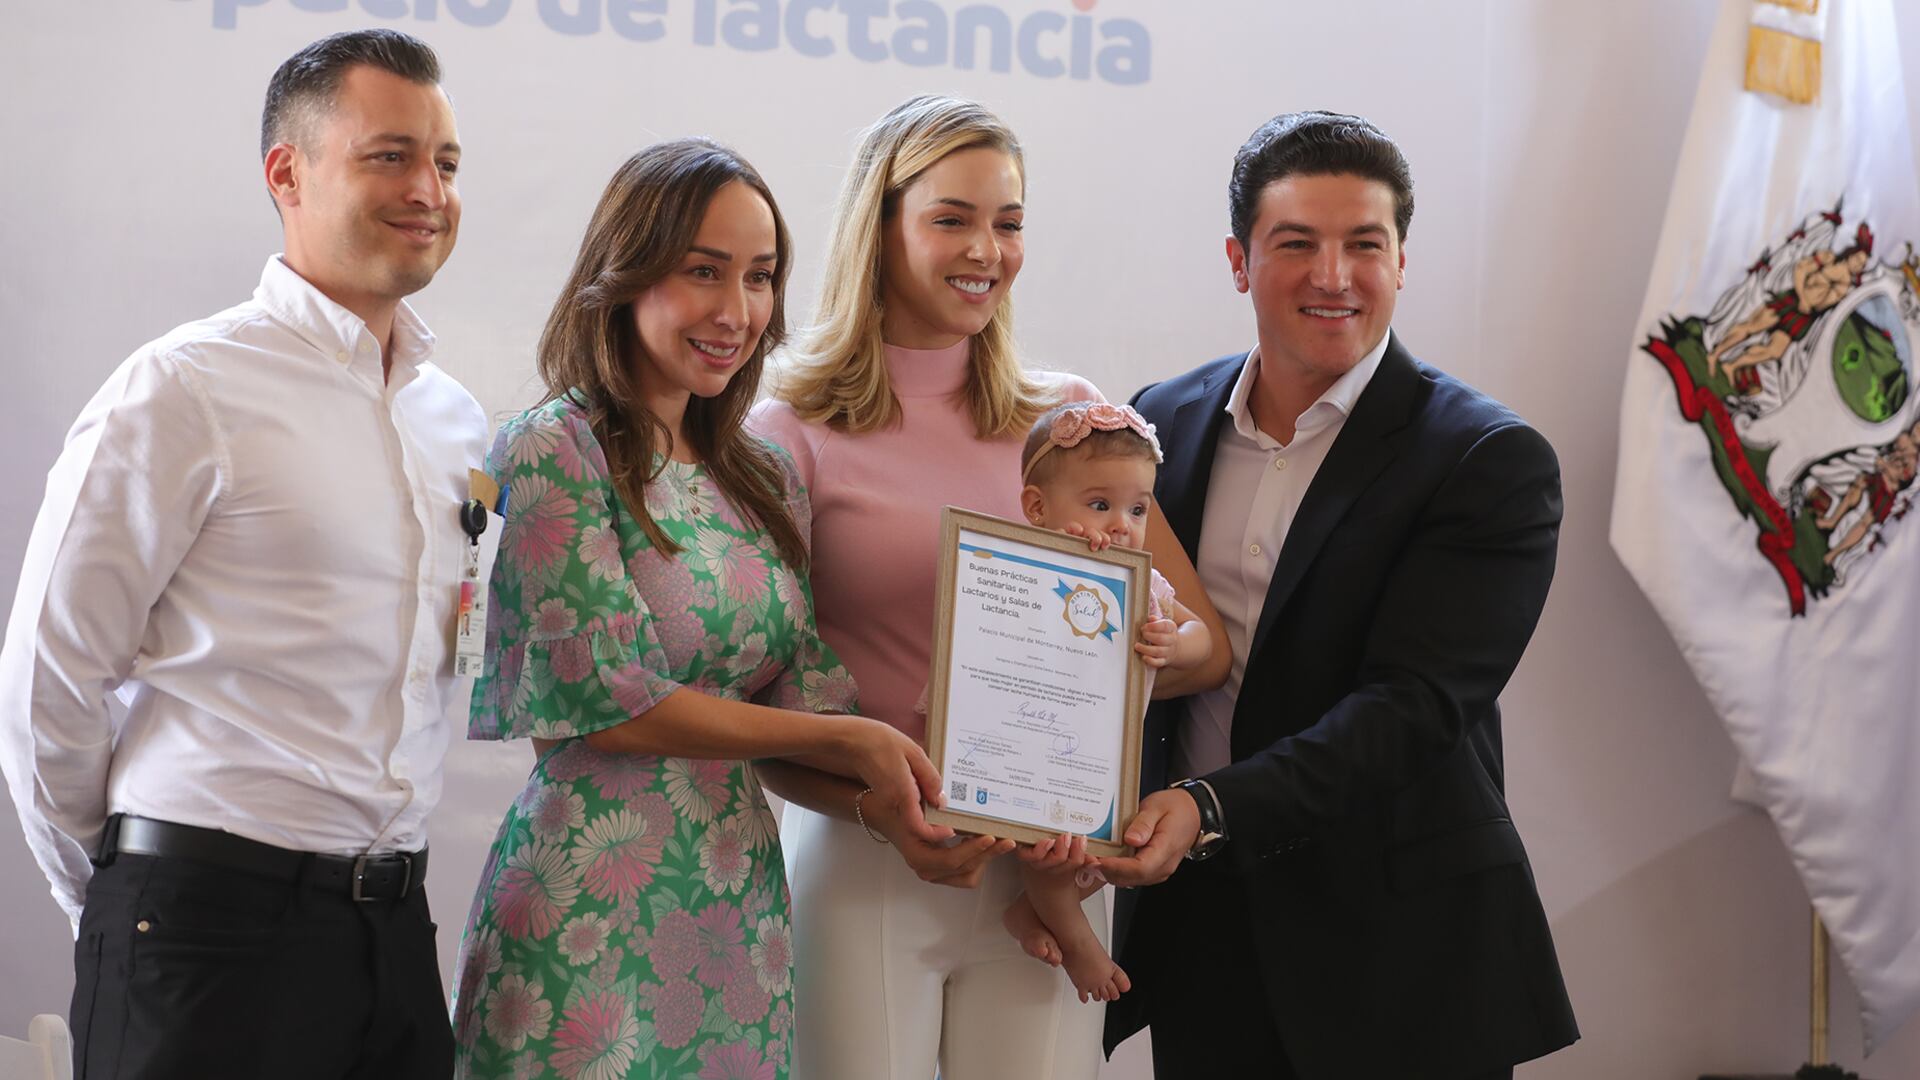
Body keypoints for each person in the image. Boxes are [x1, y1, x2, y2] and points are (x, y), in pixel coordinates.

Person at [0, 29, 479, 1078]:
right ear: (286, 171)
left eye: (445, 163)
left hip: (394, 936)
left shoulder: (455, 424)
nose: (429, 190)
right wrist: (128, 891)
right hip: (202, 930)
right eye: (390, 155)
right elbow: (52, 677)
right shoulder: (183, 389)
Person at [750, 95, 1227, 1080]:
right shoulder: (785, 431)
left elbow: (1204, 646)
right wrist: (885, 814)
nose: (988, 249)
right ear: (880, 227)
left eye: (1008, 222)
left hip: (1055, 869)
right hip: (867, 863)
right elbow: (759, 716)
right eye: (952, 218)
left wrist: (1143, 639)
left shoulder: (1075, 420)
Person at [1095, 110, 1580, 1079]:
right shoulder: (1155, 424)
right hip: (1203, 930)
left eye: (1365, 244)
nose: (1333, 275)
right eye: (1296, 244)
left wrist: (1207, 805)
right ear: (1239, 261)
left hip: (1399, 950)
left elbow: (1413, 709)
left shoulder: (1486, 459)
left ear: (1402, 261)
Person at [447, 138, 943, 1080]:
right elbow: (616, 704)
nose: (737, 311)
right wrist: (858, 750)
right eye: (702, 273)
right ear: (622, 275)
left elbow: (798, 723)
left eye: (760, 278)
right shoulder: (553, 450)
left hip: (737, 920)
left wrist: (904, 814)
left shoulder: (756, 474)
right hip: (583, 911)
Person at [998, 401, 1213, 1005]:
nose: (1122, 525)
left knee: (1116, 845)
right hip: (1029, 735)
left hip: (1100, 748)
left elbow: (1202, 640)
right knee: (1045, 845)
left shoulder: (1143, 584)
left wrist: (1175, 642)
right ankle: (1072, 933)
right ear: (1038, 508)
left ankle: (1025, 911)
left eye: (1137, 508)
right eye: (1100, 505)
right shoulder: (1023, 567)